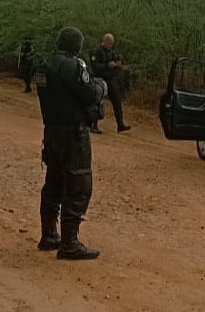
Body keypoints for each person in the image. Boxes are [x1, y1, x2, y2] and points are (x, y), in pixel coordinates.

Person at [32, 26, 107, 260]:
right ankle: (69, 242)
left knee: (54, 181)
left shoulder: (44, 65)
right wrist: (101, 87)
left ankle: (49, 234)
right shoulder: (72, 66)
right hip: (73, 134)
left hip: (52, 131)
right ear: (75, 45)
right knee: (78, 184)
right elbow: (88, 93)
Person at [89, 33, 131, 133]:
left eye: (112, 44)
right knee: (97, 101)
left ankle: (120, 124)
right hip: (99, 79)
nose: (111, 45)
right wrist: (107, 65)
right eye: (109, 43)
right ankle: (93, 125)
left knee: (117, 101)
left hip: (110, 79)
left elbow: (117, 62)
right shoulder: (96, 51)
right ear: (105, 41)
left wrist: (117, 65)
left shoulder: (112, 53)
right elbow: (95, 66)